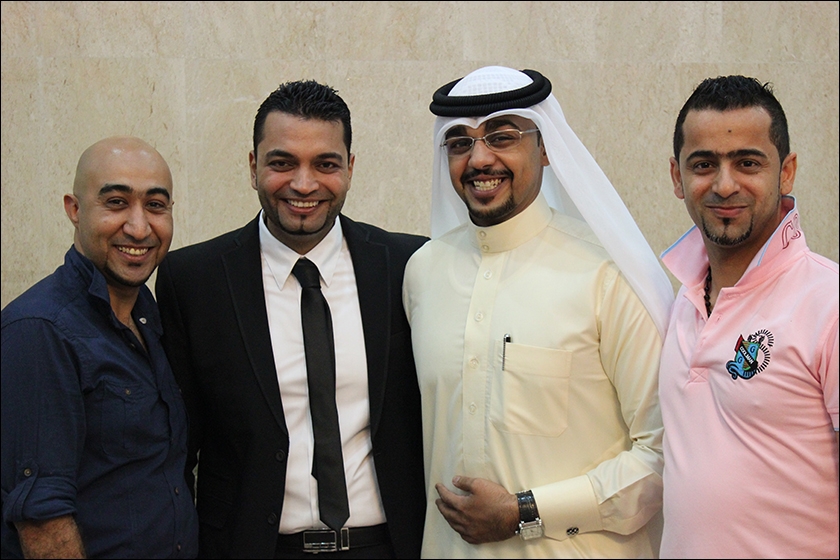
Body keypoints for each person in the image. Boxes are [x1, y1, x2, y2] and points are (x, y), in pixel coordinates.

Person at [402, 65, 675, 558]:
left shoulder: (607, 274)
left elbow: (664, 454)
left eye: (502, 137)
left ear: (545, 147)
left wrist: (525, 510)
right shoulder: (424, 272)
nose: (479, 159)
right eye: (460, 143)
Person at [154, 79, 427, 559]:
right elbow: (178, 447)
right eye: (282, 163)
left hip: (388, 545)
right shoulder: (193, 280)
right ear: (253, 166)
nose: (304, 184)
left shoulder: (408, 266)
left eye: (326, 164)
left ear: (350, 168)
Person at [659, 75, 839, 558]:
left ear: (787, 172)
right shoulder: (681, 302)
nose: (724, 185)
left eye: (747, 163)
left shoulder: (829, 302)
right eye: (704, 164)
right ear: (677, 177)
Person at [1, 136, 198, 558]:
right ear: (74, 209)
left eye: (156, 205)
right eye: (116, 203)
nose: (139, 227)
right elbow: (42, 518)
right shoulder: (40, 330)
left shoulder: (149, 315)